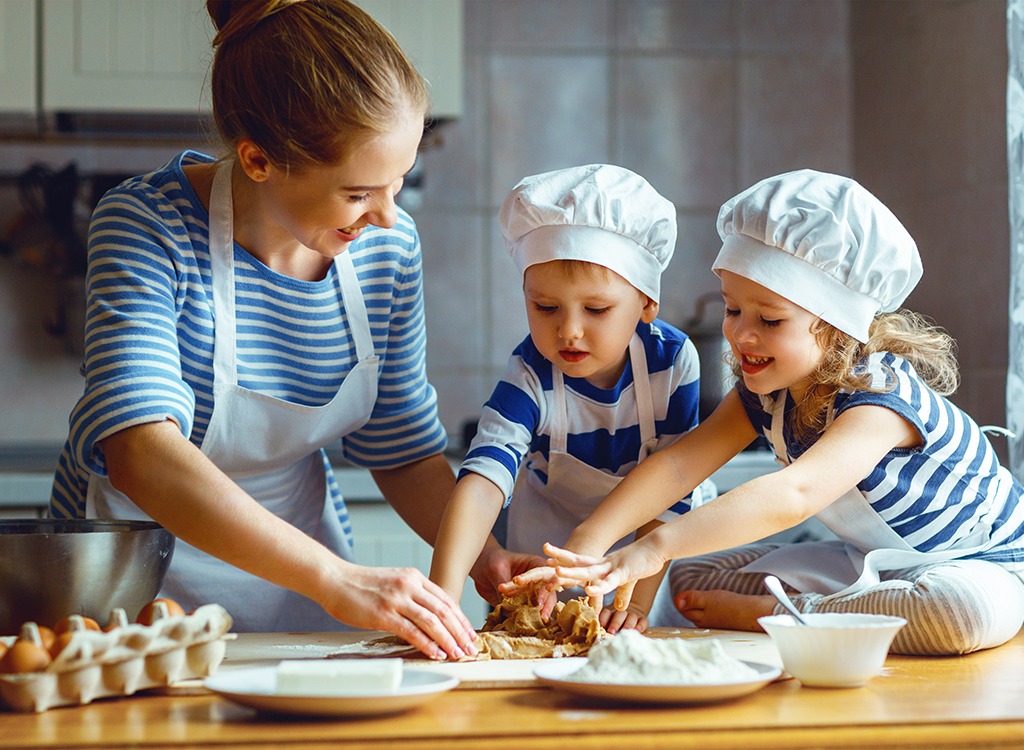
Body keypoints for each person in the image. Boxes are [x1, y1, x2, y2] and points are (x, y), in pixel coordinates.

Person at [47, 0, 480, 660]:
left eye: (400, 182)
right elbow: (140, 452)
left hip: (301, 589)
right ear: (257, 160)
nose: (387, 216)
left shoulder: (386, 249)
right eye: (359, 193)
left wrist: (491, 558)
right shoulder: (145, 226)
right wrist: (337, 580)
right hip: (132, 588)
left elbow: (401, 447)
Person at [518, 169, 1024, 655]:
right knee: (690, 577)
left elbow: (794, 494)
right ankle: (826, 610)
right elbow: (678, 464)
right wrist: (591, 540)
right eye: (733, 309)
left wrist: (653, 548)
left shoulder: (882, 399)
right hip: (873, 565)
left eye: (770, 319)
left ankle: (789, 612)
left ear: (836, 326)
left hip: (986, 565)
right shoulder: (768, 393)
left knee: (956, 614)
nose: (740, 334)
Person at [430, 164, 714, 633]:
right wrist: (442, 600)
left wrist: (634, 606)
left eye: (597, 309)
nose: (568, 330)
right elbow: (481, 482)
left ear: (646, 303)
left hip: (643, 555)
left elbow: (672, 489)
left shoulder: (672, 361)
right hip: (543, 552)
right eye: (544, 307)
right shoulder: (530, 373)